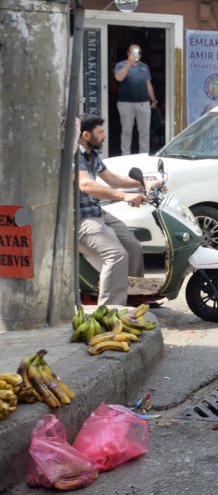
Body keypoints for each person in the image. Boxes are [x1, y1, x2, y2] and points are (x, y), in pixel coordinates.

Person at [77, 114, 148, 308]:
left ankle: (133, 295)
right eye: (100, 132)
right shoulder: (75, 156)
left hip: (97, 212)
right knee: (116, 255)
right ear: (85, 134)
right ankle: (110, 310)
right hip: (81, 218)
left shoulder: (92, 155)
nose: (104, 136)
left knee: (133, 247)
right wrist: (124, 196)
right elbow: (85, 185)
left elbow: (113, 179)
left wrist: (145, 182)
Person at [113, 44, 157, 154]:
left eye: (139, 53)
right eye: (134, 52)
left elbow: (148, 84)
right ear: (128, 53)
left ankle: (144, 155)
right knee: (127, 131)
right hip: (126, 103)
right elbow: (118, 78)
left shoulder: (144, 67)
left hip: (143, 103)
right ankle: (125, 155)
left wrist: (153, 100)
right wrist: (129, 64)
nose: (137, 55)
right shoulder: (120, 65)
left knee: (144, 132)